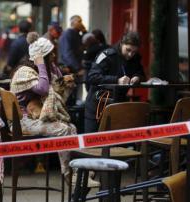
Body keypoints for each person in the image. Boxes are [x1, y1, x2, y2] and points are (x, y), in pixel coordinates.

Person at [9, 32, 98, 186]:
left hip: (37, 117)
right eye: (51, 54)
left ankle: (81, 171)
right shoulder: (24, 72)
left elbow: (57, 87)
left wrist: (53, 68)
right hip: (24, 120)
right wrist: (42, 65)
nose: (55, 55)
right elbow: (44, 89)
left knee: (71, 127)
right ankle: (68, 174)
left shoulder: (45, 69)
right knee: (63, 130)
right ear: (41, 57)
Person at [84, 31, 145, 133]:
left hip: (118, 105)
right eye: (128, 50)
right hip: (97, 105)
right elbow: (92, 77)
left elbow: (140, 72)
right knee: (92, 144)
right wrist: (116, 80)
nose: (130, 54)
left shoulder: (135, 58)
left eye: (134, 52)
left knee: (115, 144)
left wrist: (137, 77)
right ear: (121, 43)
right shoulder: (107, 55)